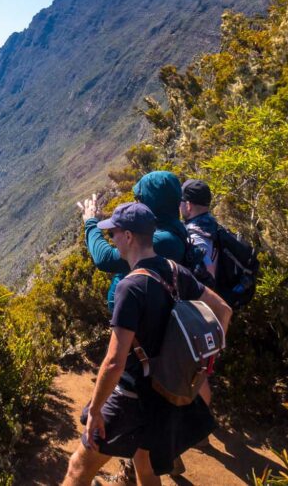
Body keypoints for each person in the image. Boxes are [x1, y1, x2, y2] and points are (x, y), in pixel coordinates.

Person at [62, 202, 233, 485]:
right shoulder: (176, 270)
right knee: (146, 467)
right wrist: (206, 363)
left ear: (128, 236)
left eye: (113, 233)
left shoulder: (130, 287)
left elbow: (115, 362)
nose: (112, 239)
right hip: (164, 394)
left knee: (78, 467)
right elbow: (223, 310)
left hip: (131, 396)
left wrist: (94, 411)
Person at [78, 171, 189, 312]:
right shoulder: (171, 229)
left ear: (152, 201)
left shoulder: (162, 241)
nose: (136, 203)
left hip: (139, 328)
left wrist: (90, 223)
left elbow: (105, 258)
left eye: (139, 198)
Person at [180, 179, 219, 283]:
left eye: (181, 201)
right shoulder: (211, 223)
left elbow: (209, 274)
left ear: (188, 206)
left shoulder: (196, 237)